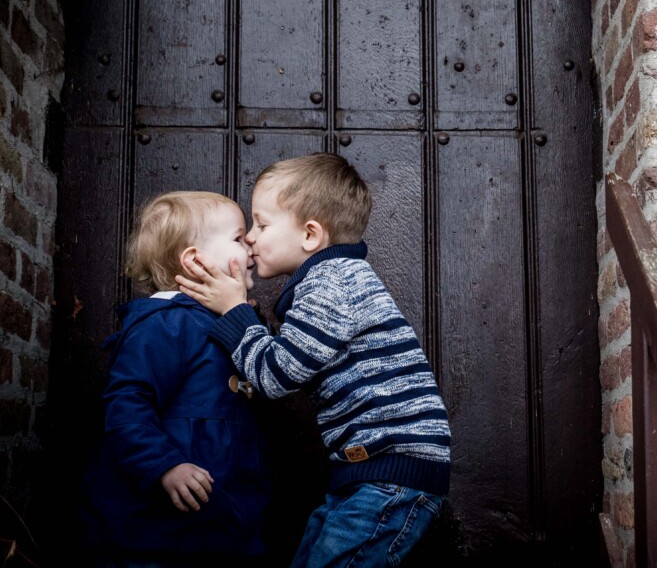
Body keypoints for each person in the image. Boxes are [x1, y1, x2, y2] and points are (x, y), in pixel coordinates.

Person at [176, 153, 451, 568]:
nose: (250, 238)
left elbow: (275, 375)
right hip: (368, 473)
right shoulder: (331, 281)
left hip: (390, 475)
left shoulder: (332, 284)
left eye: (262, 225)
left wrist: (235, 312)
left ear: (310, 235)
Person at [81, 190, 271, 568]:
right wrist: (164, 466)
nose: (250, 243)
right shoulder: (167, 324)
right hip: (159, 529)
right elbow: (128, 404)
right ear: (194, 261)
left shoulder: (226, 323)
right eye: (237, 238)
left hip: (220, 518)